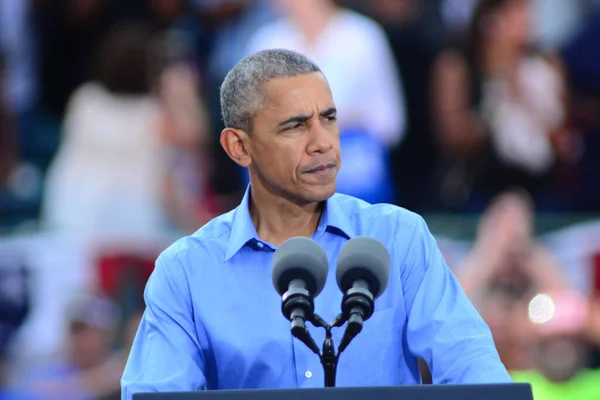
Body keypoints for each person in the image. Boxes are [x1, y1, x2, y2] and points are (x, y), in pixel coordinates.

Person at [121, 49, 512, 397]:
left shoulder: (398, 238)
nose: (323, 142)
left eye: (329, 118)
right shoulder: (186, 272)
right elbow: (155, 392)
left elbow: (473, 367)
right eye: (295, 125)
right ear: (239, 147)